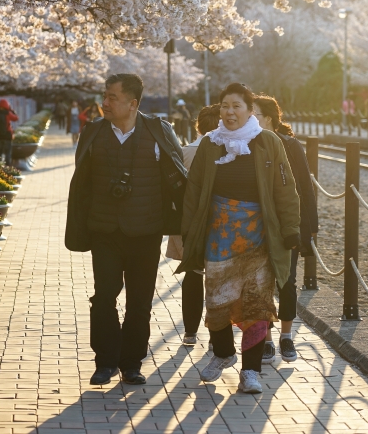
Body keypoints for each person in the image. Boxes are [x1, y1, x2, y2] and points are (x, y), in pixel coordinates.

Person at [65, 73, 187, 386]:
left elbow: (178, 178)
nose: (105, 103)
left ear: (132, 104)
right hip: (104, 230)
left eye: (112, 98)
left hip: (146, 232)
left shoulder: (159, 131)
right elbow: (82, 184)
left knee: (140, 302)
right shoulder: (93, 132)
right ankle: (105, 362)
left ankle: (131, 363)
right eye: (104, 96)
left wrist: (184, 224)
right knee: (104, 297)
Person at [178, 82, 300, 394]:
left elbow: (285, 189)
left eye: (237, 106)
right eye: (225, 106)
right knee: (217, 299)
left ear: (249, 111)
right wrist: (189, 229)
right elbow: (193, 191)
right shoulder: (210, 144)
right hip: (219, 234)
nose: (230, 112)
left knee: (257, 305)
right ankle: (223, 353)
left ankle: (251, 371)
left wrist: (290, 228)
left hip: (260, 235)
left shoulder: (268, 141)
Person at [251, 94, 318, 364]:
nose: (250, 118)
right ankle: (266, 338)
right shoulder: (247, 143)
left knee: (287, 281)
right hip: (257, 224)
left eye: (254, 113)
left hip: (287, 225)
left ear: (268, 118)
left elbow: (305, 187)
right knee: (261, 283)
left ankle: (287, 336)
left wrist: (310, 227)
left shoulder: (290, 145)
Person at [165, 104, 221, 346]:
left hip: (188, 223)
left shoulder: (185, 151)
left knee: (192, 274)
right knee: (219, 279)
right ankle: (216, 334)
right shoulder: (227, 149)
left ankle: (189, 332)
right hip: (219, 222)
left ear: (198, 126)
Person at [0, 99, 19, 164]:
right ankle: (7, 166)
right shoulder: (8, 114)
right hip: (7, 136)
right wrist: (12, 111)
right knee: (8, 152)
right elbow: (16, 118)